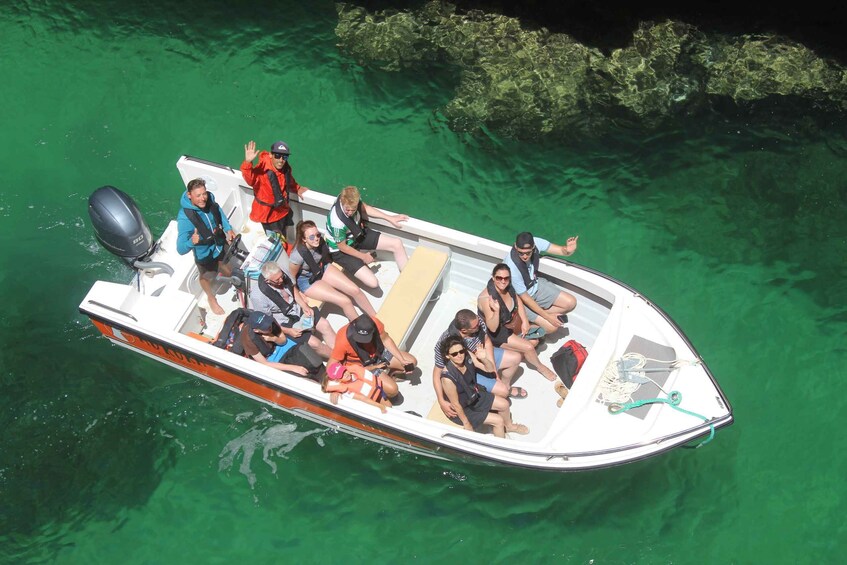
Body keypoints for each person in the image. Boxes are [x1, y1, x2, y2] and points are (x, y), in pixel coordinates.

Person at [431, 309, 525, 419]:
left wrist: (493, 370)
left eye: (478, 323)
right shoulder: (445, 343)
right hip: (470, 369)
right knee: (503, 392)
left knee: (516, 358)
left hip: (482, 355)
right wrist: (441, 400)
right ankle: (497, 395)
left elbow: (488, 342)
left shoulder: (477, 322)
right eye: (475, 326)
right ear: (464, 330)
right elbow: (437, 372)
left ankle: (504, 385)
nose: (479, 325)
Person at [478, 263, 559, 382]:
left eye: (506, 278)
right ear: (493, 277)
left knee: (536, 338)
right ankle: (540, 367)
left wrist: (525, 321)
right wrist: (496, 311)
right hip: (498, 333)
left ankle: (517, 352)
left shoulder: (508, 287)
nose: (503, 281)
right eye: (499, 278)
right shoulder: (486, 299)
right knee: (529, 347)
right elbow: (492, 328)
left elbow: (517, 300)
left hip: (512, 324)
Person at [438, 336, 529, 438]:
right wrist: (467, 424)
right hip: (462, 409)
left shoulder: (467, 356)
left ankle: (509, 426)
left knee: (504, 404)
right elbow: (456, 404)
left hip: (473, 395)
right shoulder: (447, 378)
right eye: (454, 354)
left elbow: (489, 369)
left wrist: (484, 358)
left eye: (461, 351)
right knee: (498, 420)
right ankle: (501, 447)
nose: (459, 356)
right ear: (447, 356)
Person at [289, 220, 377, 321]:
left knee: (355, 290)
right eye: (312, 237)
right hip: (308, 281)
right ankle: (361, 329)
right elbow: (291, 278)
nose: (317, 239)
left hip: (321, 268)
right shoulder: (297, 256)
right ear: (304, 239)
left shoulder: (320, 242)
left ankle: (376, 318)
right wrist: (298, 295)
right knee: (345, 301)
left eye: (318, 235)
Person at [324, 185, 409, 289]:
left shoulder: (353, 200)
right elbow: (342, 247)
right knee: (373, 283)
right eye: (347, 210)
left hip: (356, 235)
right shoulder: (337, 222)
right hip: (341, 250)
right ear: (342, 201)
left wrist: (389, 218)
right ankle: (356, 264)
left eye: (353, 209)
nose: (350, 213)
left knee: (397, 244)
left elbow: (366, 208)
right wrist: (363, 257)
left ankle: (408, 280)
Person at [249, 261, 335, 358]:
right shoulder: (258, 296)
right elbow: (268, 322)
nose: (281, 280)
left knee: (325, 325)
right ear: (267, 281)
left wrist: (304, 306)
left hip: (297, 308)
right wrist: (289, 331)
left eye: (282, 277)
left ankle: (340, 352)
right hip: (285, 323)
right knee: (315, 343)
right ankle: (336, 359)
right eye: (277, 280)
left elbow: (292, 288)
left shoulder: (282, 272)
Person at [176, 178, 236, 315]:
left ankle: (233, 280)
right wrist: (192, 242)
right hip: (204, 254)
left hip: (219, 244)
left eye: (204, 194)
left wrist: (228, 228)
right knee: (206, 277)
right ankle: (211, 297)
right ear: (189, 195)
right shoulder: (185, 218)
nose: (203, 198)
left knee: (227, 267)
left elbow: (218, 211)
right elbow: (180, 249)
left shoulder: (209, 201)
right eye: (198, 195)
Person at [504, 231, 579, 334]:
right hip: (520, 299)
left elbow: (561, 250)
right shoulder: (512, 268)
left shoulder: (537, 242)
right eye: (521, 253)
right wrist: (548, 318)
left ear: (533, 247)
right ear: (516, 248)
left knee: (571, 303)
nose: (525, 256)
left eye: (528, 253)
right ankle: (525, 324)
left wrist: (568, 250)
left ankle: (536, 317)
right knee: (552, 328)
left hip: (534, 285)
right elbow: (525, 297)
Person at [241, 140, 307, 240]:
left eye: (284, 157)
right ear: (271, 155)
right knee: (277, 240)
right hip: (269, 216)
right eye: (277, 156)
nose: (281, 160)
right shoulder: (262, 170)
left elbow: (289, 181)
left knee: (284, 232)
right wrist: (248, 162)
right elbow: (250, 179)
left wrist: (297, 188)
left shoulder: (285, 168)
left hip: (283, 210)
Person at [240, 310, 321, 379]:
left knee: (313, 361)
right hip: (272, 360)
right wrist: (293, 368)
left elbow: (283, 340)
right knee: (302, 376)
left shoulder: (269, 321)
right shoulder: (248, 339)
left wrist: (273, 338)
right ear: (256, 330)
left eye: (269, 324)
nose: (270, 327)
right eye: (266, 328)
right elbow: (265, 363)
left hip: (283, 346)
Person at [328, 314, 417, 377]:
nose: (362, 341)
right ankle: (383, 379)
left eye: (365, 338)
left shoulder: (375, 323)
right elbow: (331, 366)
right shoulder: (343, 339)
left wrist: (402, 360)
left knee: (412, 362)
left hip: (378, 355)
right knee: (392, 390)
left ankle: (390, 374)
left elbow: (386, 339)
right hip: (362, 365)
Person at [321, 362, 395, 413]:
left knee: (390, 407)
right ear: (338, 380)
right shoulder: (346, 390)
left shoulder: (353, 371)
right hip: (368, 403)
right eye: (341, 375)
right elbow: (363, 398)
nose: (345, 374)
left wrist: (375, 366)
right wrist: (379, 406)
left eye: (344, 371)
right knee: (387, 411)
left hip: (377, 392)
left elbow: (363, 370)